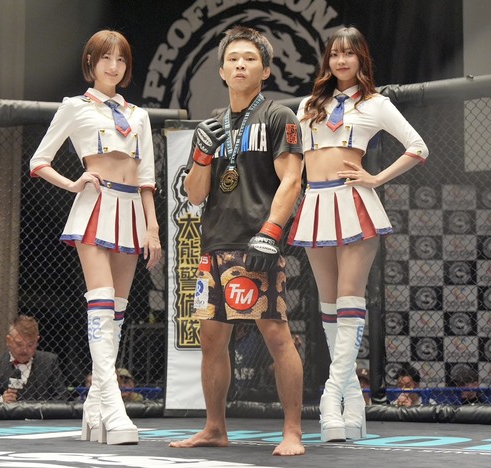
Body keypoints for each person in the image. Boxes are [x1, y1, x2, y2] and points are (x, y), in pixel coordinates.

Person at [288, 25, 429, 442]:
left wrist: (376, 178)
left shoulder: (376, 103)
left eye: (349, 53)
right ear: (327, 60)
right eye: (334, 54)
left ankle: (331, 398)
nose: (341, 60)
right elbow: (296, 161)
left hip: (354, 204)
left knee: (350, 301)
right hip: (315, 203)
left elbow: (418, 146)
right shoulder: (308, 105)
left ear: (360, 58)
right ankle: (353, 401)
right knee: (328, 306)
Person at [169, 26, 305, 457]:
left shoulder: (279, 117)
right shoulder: (212, 125)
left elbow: (292, 180)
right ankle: (214, 428)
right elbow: (194, 195)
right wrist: (201, 156)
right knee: (211, 339)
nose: (240, 64)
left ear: (265, 71)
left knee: (276, 334)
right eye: (233, 59)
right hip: (215, 243)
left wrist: (271, 232)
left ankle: (293, 432)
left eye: (249, 58)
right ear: (222, 70)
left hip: (257, 242)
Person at [29, 30, 161, 445]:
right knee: (102, 303)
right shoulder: (75, 107)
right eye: (106, 58)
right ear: (91, 62)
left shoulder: (138, 115)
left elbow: (146, 177)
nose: (113, 66)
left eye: (121, 59)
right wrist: (73, 184)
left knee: (117, 311)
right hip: (96, 208)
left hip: (132, 213)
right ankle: (114, 406)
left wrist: (153, 227)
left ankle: (94, 404)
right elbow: (39, 161)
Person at [0, 315, 66, 403]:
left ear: (37, 341)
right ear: (8, 341)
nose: (25, 350)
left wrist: (42, 409)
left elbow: (62, 396)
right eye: (19, 344)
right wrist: (1, 399)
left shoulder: (49, 362)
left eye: (30, 345)